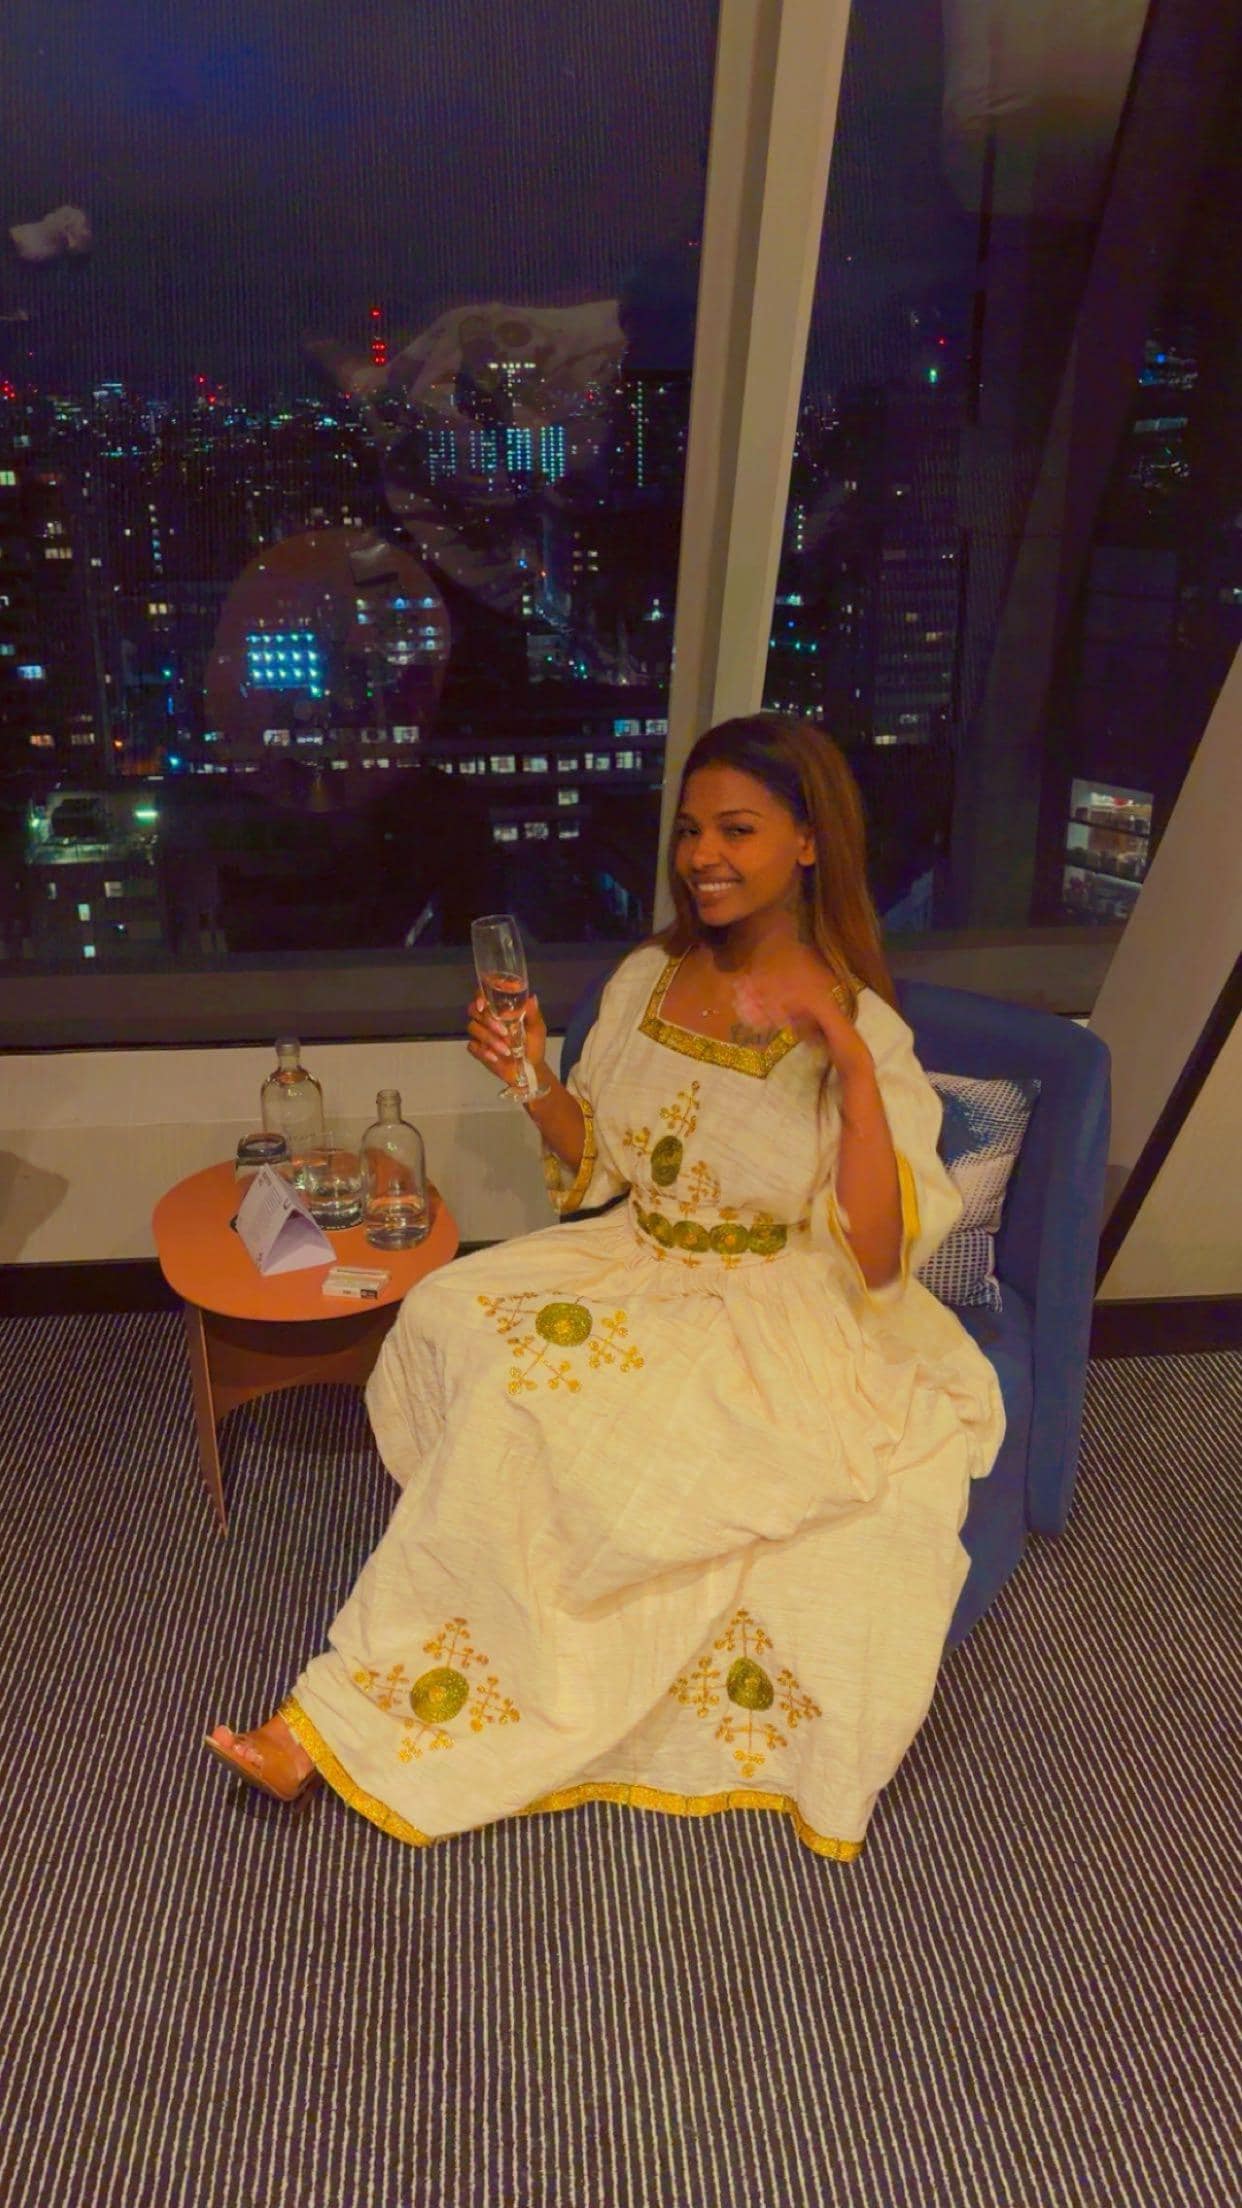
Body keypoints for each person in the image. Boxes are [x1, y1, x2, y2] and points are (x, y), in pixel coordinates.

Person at [207, 714, 1004, 1860]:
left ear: (808, 843)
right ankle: (477, 1581)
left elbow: (878, 1256)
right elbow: (604, 1165)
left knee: (547, 1405)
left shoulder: (862, 1029)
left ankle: (328, 1722)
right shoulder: (648, 978)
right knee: (443, 1313)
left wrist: (850, 1063)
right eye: (690, 830)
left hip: (770, 1300)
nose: (703, 856)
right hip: (635, 1254)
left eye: (737, 830)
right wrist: (532, 1075)